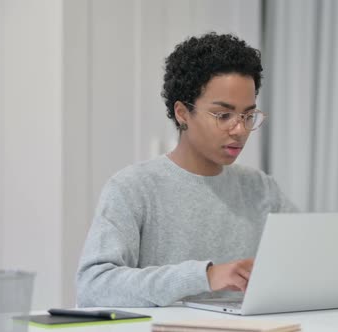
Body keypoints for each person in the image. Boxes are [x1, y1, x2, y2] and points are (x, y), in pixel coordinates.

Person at [76, 32, 297, 307]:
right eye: (223, 115)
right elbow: (92, 286)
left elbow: (307, 262)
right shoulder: (133, 188)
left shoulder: (261, 189)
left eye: (248, 115)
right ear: (182, 113)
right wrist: (204, 276)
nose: (239, 129)